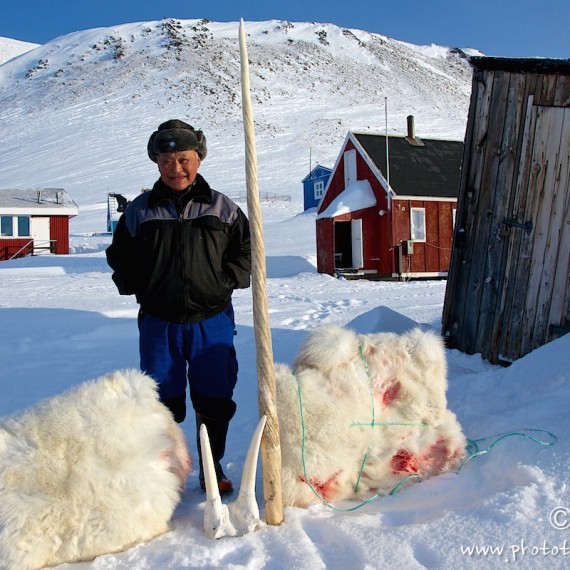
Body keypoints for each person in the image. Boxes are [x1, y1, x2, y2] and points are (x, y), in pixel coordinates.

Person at [106, 119, 251, 495]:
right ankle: (167, 471)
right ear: (156, 163)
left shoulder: (223, 208)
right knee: (160, 402)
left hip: (212, 320)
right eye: (167, 160)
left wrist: (226, 281)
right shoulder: (139, 212)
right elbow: (119, 255)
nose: (176, 168)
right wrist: (138, 285)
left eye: (184, 159)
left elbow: (246, 252)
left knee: (214, 399)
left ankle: (210, 464)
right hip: (159, 324)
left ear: (198, 159)